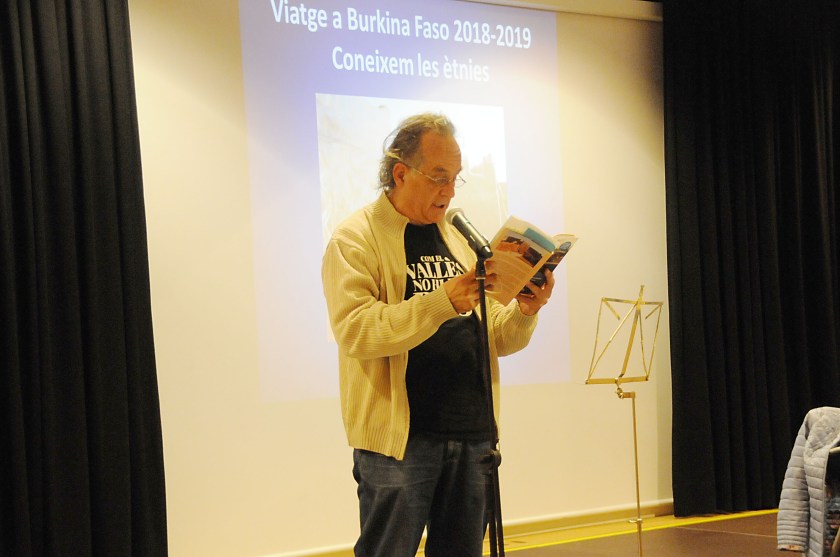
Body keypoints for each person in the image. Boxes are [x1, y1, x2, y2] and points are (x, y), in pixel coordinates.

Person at [321, 113, 555, 557]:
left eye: (455, 178)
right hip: (401, 443)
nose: (449, 191)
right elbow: (356, 331)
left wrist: (526, 311)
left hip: (472, 433)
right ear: (400, 173)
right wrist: (442, 301)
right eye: (439, 177)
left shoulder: (460, 238)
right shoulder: (354, 240)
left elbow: (496, 337)